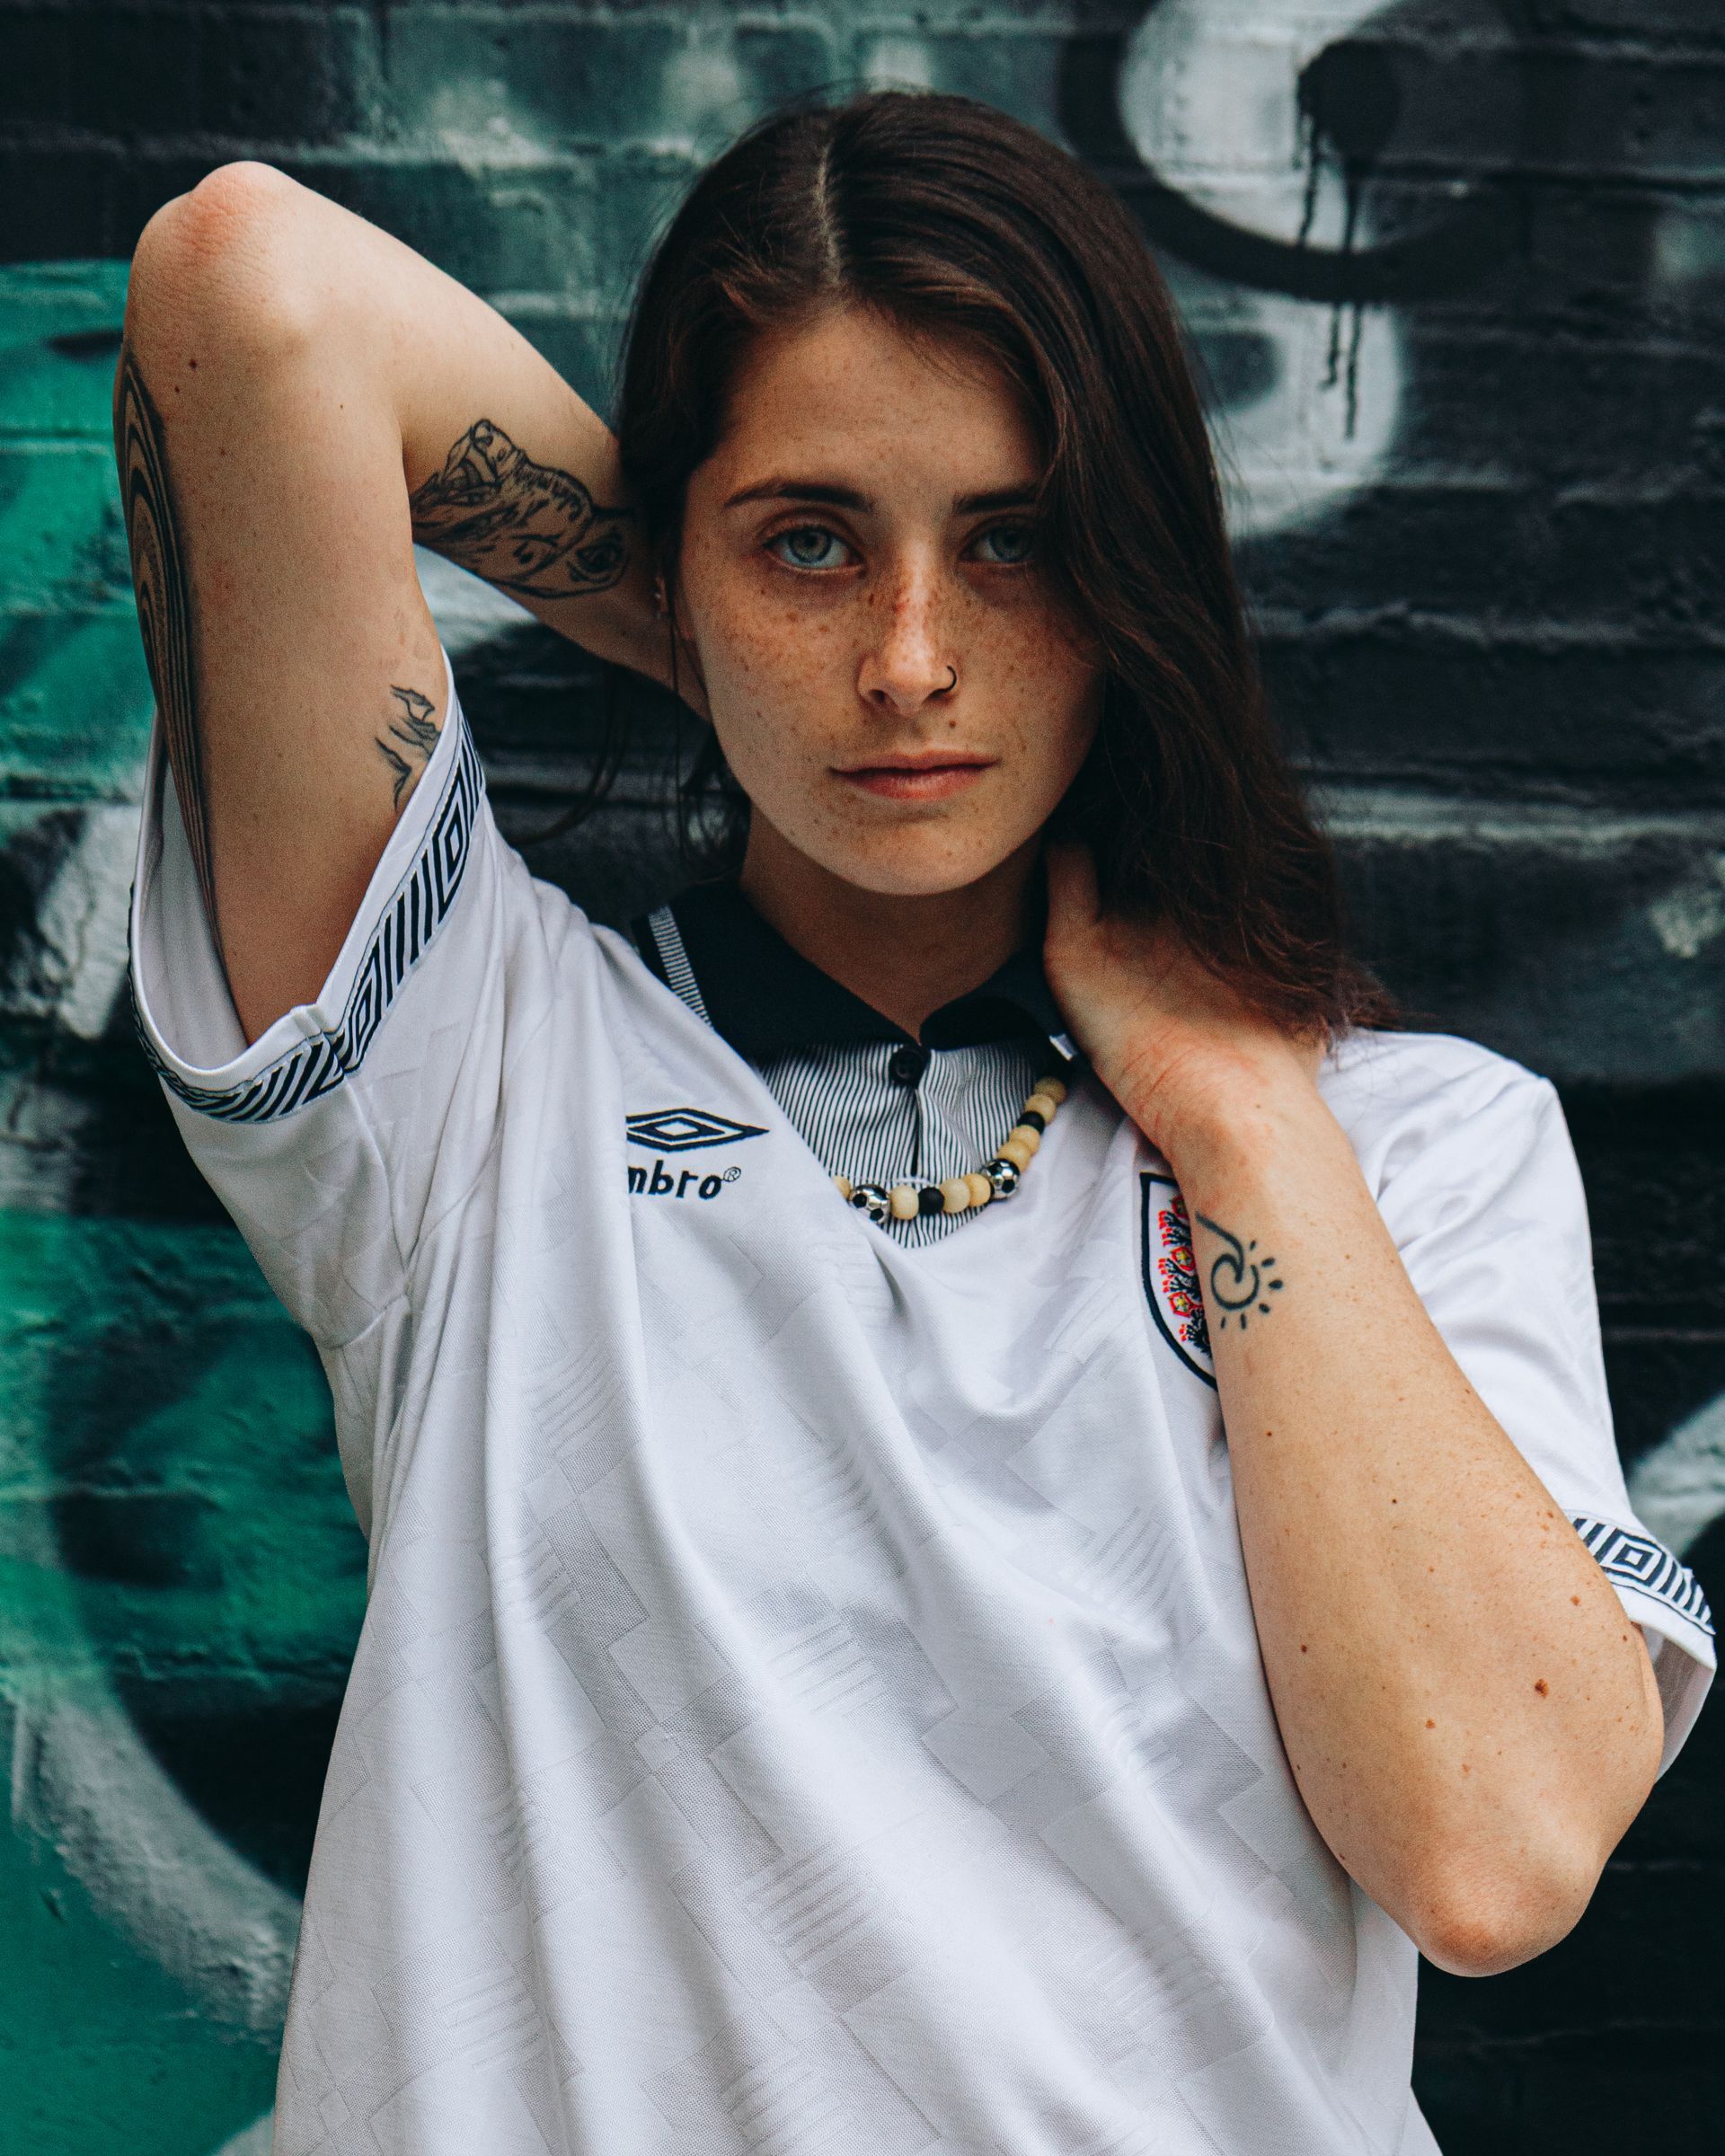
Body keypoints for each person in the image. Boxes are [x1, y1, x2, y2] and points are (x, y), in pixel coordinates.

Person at [115, 88, 1711, 2156]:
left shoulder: (1421, 1149)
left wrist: (1230, 1103)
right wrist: (697, 640)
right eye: (809, 540)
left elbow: (1492, 1856)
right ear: (689, 550)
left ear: (1130, 573)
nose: (909, 661)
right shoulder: (471, 1076)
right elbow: (253, 286)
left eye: (1017, 542)